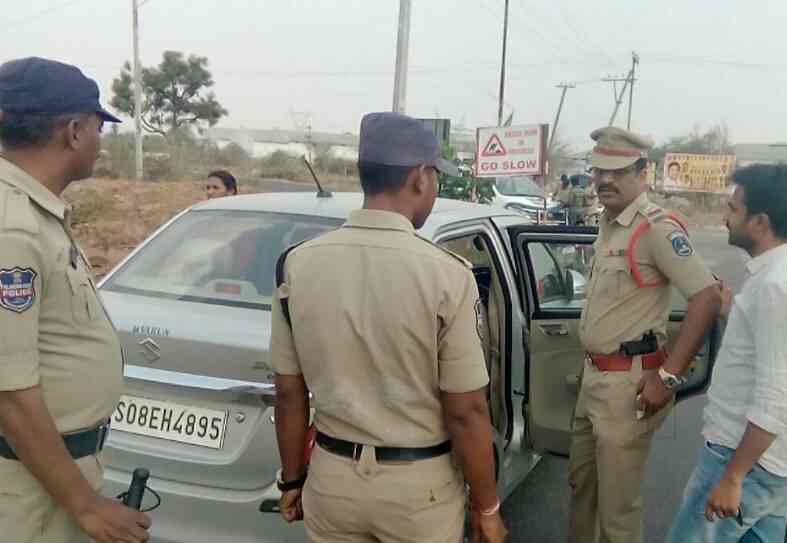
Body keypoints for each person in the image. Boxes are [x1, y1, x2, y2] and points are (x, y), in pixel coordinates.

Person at [271, 112, 507, 543]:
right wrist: (487, 507)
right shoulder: (448, 275)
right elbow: (466, 410)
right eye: (435, 176)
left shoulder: (297, 264)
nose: (434, 188)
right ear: (420, 178)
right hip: (418, 494)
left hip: (331, 481)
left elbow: (288, 394)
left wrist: (291, 481)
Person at [0, 57, 151, 543]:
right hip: (29, 490)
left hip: (48, 474)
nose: (101, 142)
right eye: (97, 126)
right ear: (74, 131)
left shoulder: (33, 214)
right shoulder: (13, 227)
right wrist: (83, 504)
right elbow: (9, 394)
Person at [569, 126, 721, 543]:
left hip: (627, 386)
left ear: (643, 172)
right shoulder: (610, 224)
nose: (604, 181)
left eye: (616, 172)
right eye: (599, 171)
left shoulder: (656, 227)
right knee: (582, 492)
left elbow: (706, 296)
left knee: (618, 511)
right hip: (593, 380)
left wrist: (669, 376)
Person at [666, 164, 787, 543]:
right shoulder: (772, 278)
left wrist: (733, 477)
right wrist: (734, 311)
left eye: (734, 209)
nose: (724, 217)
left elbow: (775, 395)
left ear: (760, 222)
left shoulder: (773, 285)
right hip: (771, 466)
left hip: (742, 459)